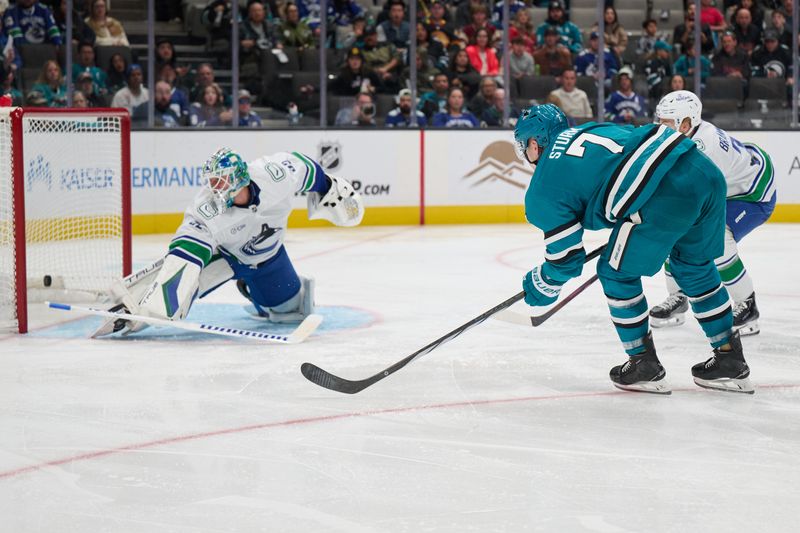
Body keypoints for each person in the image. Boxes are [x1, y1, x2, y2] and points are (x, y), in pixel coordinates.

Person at [514, 103, 753, 395]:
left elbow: (566, 262)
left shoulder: (542, 187)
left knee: (615, 273)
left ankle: (644, 366)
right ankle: (730, 359)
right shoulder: (591, 129)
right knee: (694, 268)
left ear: (535, 143)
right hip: (705, 173)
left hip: (664, 194)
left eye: (524, 145)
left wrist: (542, 284)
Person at [92, 148, 364, 337]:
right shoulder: (207, 207)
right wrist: (149, 311)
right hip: (226, 258)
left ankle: (251, 289)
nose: (214, 189)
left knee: (289, 311)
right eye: (211, 182)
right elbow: (185, 252)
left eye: (219, 182)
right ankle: (133, 307)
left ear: (238, 178)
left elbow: (307, 169)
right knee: (181, 284)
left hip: (270, 257)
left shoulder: (273, 175)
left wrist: (329, 187)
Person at [648, 91, 776, 337]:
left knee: (718, 243)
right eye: (660, 121)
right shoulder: (682, 136)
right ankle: (678, 297)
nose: (661, 128)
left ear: (687, 123)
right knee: (672, 235)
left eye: (667, 123)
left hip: (752, 195)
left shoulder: (704, 149)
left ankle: (747, 306)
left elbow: (693, 198)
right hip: (729, 183)